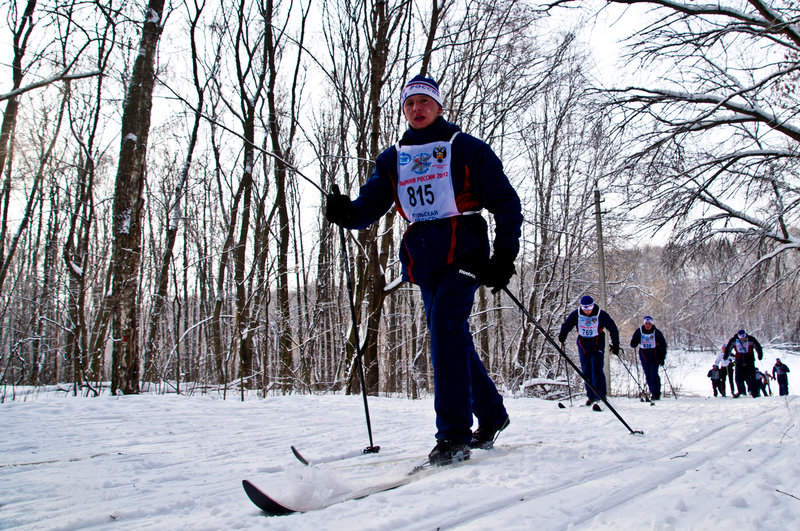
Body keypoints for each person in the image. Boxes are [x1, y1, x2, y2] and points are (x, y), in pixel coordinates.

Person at [325, 75, 523, 466]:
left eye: (424, 102)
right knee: (449, 334)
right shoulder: (393, 157)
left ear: (439, 106)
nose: (416, 110)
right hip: (424, 257)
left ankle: (453, 436)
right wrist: (346, 212)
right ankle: (493, 413)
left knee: (446, 329)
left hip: (466, 250)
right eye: (409, 104)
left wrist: (503, 257)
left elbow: (506, 203)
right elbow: (370, 205)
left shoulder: (465, 148)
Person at [558, 295, 620, 407]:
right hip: (583, 344)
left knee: (596, 368)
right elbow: (567, 325)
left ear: (593, 305)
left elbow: (613, 328)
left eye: (590, 307)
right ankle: (591, 397)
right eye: (585, 308)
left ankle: (600, 397)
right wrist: (562, 336)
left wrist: (615, 345)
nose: (587, 311)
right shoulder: (576, 314)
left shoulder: (600, 314)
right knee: (586, 371)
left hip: (597, 343)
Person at [629, 316, 668, 400]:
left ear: (652, 324)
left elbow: (663, 345)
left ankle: (656, 393)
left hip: (654, 356)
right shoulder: (639, 331)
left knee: (653, 374)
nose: (647, 325)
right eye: (646, 323)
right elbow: (632, 343)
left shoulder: (656, 332)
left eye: (649, 323)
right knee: (648, 375)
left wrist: (662, 358)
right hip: (644, 356)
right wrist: (635, 342)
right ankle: (652, 392)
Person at [724, 329, 764, 398]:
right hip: (739, 361)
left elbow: (758, 347)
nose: (743, 338)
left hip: (749, 361)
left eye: (744, 336)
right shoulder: (734, 340)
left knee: (751, 377)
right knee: (738, 378)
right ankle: (741, 391)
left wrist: (760, 355)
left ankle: (754, 392)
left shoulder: (751, 339)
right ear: (738, 336)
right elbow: (728, 348)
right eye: (741, 337)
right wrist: (726, 356)